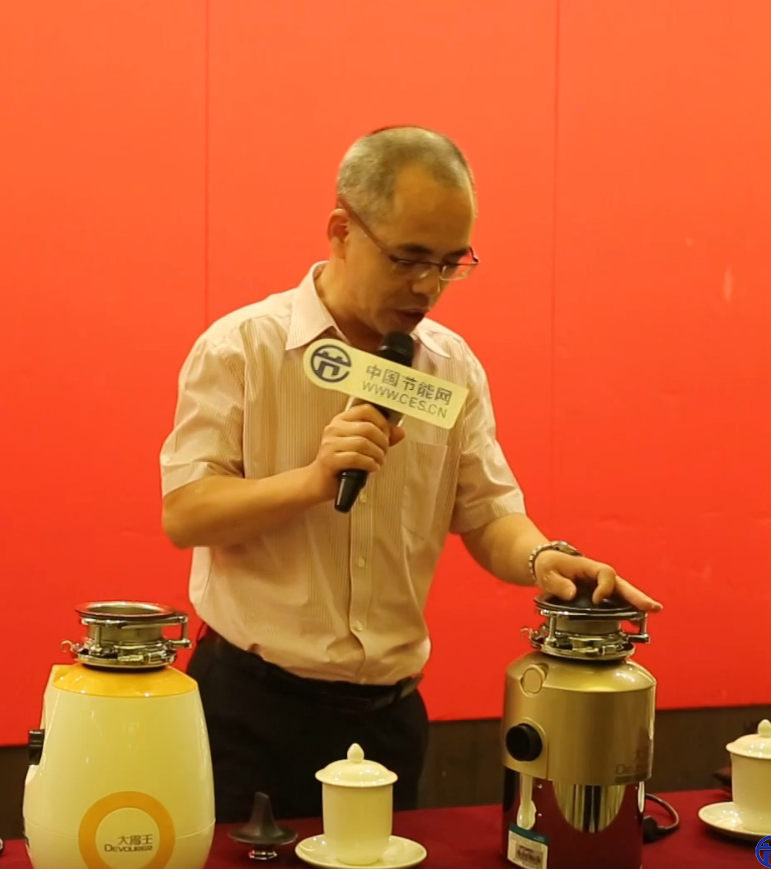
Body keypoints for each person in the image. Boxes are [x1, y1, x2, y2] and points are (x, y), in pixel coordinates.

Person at [157, 126, 663, 823]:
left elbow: (489, 514)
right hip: (250, 715)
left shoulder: (451, 368)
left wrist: (545, 558)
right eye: (409, 258)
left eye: (451, 263)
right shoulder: (242, 348)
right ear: (342, 231)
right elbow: (185, 512)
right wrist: (313, 480)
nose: (428, 285)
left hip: (389, 719)